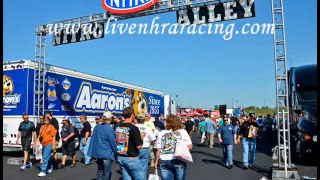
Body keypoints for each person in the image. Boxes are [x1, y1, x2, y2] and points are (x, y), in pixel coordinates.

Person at [154, 115, 193, 180]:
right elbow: (190, 147)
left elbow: (158, 149)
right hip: (178, 159)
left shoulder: (162, 133)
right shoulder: (182, 132)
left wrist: (156, 161)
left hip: (164, 160)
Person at [116, 107, 144, 180]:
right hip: (131, 157)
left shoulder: (118, 127)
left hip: (121, 156)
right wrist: (141, 138)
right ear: (132, 115)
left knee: (127, 178)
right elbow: (139, 146)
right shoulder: (134, 128)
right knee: (140, 178)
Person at [87, 111, 117, 180]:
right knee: (106, 173)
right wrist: (116, 152)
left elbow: (94, 139)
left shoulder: (97, 127)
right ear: (110, 118)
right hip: (107, 154)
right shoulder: (109, 129)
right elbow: (113, 142)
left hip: (99, 153)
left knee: (100, 171)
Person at [136, 114, 156, 179]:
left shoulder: (133, 127)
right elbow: (153, 140)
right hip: (145, 149)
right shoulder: (148, 128)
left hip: (135, 149)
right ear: (144, 120)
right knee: (143, 168)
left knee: (135, 168)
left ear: (137, 120)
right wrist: (153, 145)